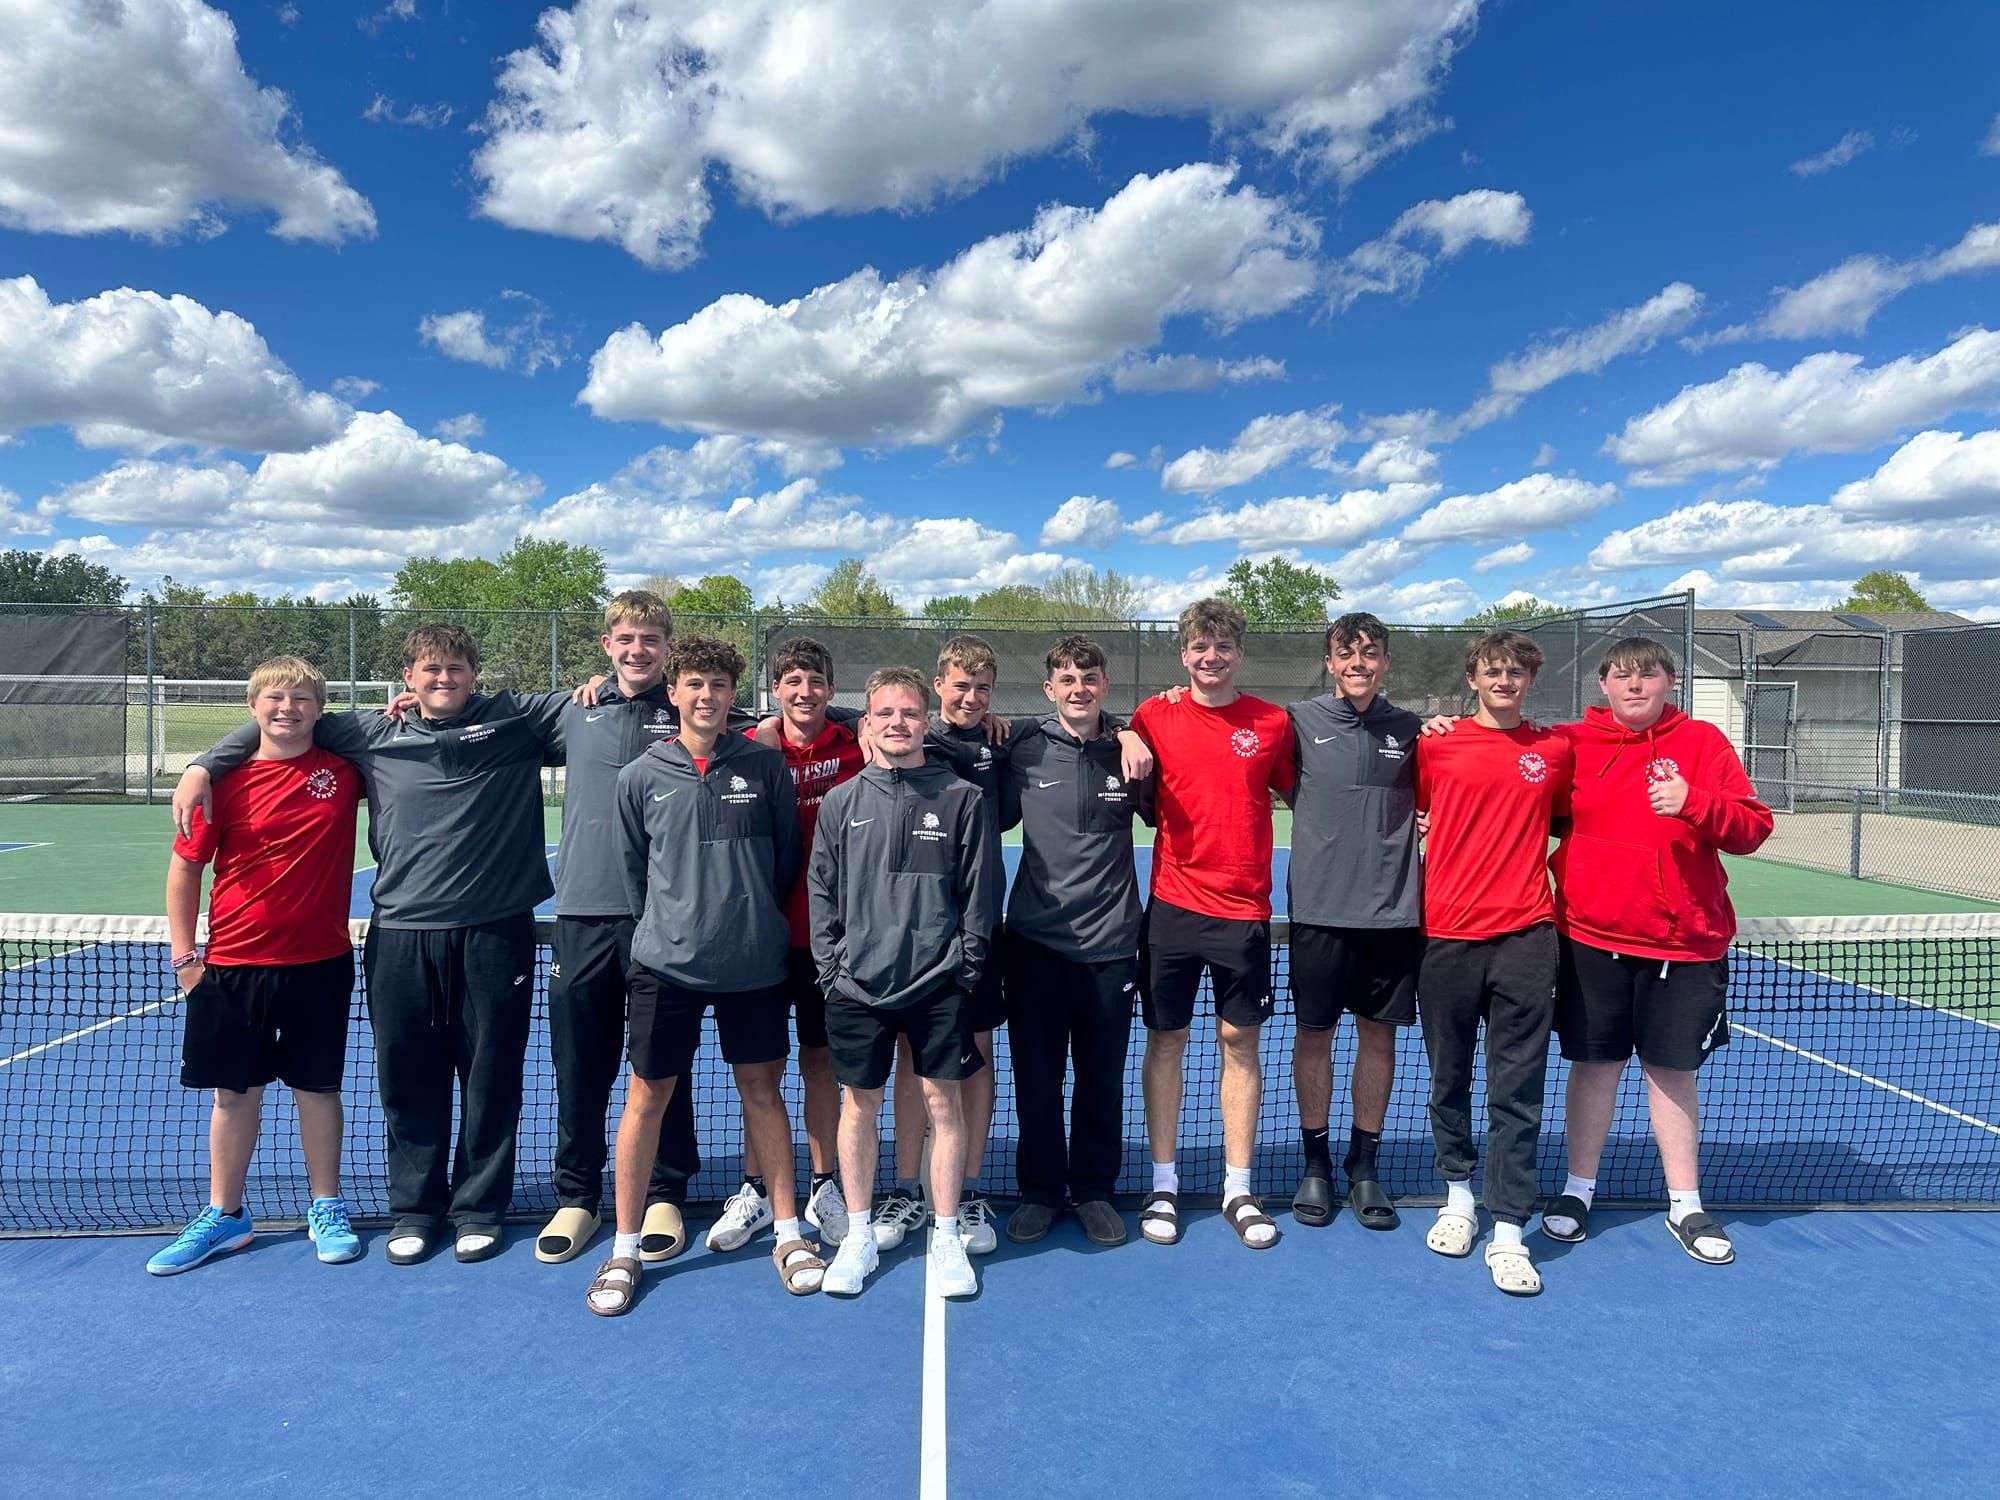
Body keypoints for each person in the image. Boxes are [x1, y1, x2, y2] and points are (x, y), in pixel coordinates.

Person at [175, 623, 567, 1266]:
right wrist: (202, 763)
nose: (444, 679)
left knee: (490, 1075)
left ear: (474, 673)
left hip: (497, 930)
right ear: (407, 679)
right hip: (401, 934)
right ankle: (415, 1209)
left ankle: (478, 1209)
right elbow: (280, 719)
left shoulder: (515, 720)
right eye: (430, 670)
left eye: (456, 669)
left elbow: (614, 702)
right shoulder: (369, 732)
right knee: (407, 1075)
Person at [584, 636, 807, 1314]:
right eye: (694, 685)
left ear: (731, 693)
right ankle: (623, 1249)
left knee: (762, 1093)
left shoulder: (766, 768)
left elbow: (784, 863)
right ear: (673, 693)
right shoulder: (640, 777)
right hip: (665, 966)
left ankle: (790, 1232)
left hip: (753, 964)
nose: (706, 697)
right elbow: (634, 875)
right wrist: (674, 927)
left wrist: (743, 921)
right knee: (645, 1098)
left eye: (717, 685)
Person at [1538, 638, 1773, 1265]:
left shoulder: (1703, 745)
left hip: (1686, 946)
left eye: (1648, 675)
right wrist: (1442, 727)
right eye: (1622, 676)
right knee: (1594, 1067)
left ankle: (1686, 1203)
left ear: (1670, 683)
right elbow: (1511, 768)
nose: (1635, 686)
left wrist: (1694, 804)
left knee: (1672, 1073)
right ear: (1604, 686)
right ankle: (1577, 1191)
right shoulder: (1573, 744)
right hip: (1589, 939)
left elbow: (1753, 828)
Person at [150, 657, 364, 1274]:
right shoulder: (221, 783)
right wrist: (185, 956)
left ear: (319, 711)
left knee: (317, 1090)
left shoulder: (344, 771)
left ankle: (325, 1204)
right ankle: (227, 1214)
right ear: (252, 708)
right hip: (231, 965)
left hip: (320, 963)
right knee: (234, 1096)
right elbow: (184, 870)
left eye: (301, 699)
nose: (287, 709)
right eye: (274, 698)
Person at [809, 668, 997, 1299]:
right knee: (858, 1108)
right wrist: (832, 969)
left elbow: (979, 895)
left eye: (910, 714)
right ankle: (858, 1234)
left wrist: (964, 967)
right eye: (885, 713)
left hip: (940, 985)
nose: (898, 723)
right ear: (868, 723)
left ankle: (945, 1235)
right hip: (857, 988)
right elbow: (822, 891)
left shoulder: (963, 797)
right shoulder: (841, 802)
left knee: (943, 1106)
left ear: (926, 722)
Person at [534, 591, 703, 1267]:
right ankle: (577, 1195)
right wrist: (211, 761)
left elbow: (790, 720)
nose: (639, 650)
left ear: (667, 646)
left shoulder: (689, 707)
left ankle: (665, 1190)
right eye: (627, 638)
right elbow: (462, 713)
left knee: (663, 1063)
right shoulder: (570, 709)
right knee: (580, 1064)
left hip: (663, 922)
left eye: (652, 639)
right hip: (580, 917)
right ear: (607, 644)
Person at [1128, 598, 1296, 1251]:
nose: (1210, 657)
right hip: (1171, 905)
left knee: (1239, 1044)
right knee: (1166, 1042)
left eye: (1222, 646)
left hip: (1246, 911)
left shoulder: (1273, 723)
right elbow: (1118, 740)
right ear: (1184, 653)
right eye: (1199, 646)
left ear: (1239, 654)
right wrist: (1123, 731)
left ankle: (1238, 1188)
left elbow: (1308, 792)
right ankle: (1164, 1184)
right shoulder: (1154, 714)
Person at [1415, 629, 1573, 1296]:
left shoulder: (1553, 750)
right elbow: (1411, 809)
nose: (1504, 681)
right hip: (1447, 936)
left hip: (1528, 939)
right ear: (1474, 678)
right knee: (1448, 1078)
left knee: (1518, 1091)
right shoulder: (1435, 743)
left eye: (1515, 671)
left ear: (1529, 680)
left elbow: (1569, 821)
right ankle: (1458, 1199)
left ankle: (1509, 1231)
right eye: (1492, 671)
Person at [998, 635, 1154, 1247]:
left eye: (1089, 678)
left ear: (1105, 686)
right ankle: (1040, 1190)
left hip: (1111, 945)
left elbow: (1172, 811)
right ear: (1049, 689)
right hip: (1034, 945)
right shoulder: (1021, 749)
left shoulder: (1133, 753)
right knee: (1036, 1079)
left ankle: (1092, 1191)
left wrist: (1128, 732)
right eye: (1066, 679)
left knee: (1101, 1078)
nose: (1079, 688)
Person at [721, 636, 864, 1252]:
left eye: (815, 681)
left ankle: (825, 1184)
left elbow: (914, 724)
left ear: (830, 690)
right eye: (792, 681)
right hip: (759, 937)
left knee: (820, 1064)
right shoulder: (750, 747)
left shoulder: (857, 742)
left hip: (832, 939)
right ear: (774, 690)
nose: (804, 692)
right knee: (761, 1069)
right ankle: (755, 1189)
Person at [1284, 612, 1422, 1232]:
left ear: (1385, 662)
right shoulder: (1298, 723)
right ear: (1330, 661)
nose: (1358, 663)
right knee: (1314, 1036)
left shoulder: (1416, 730)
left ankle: (1363, 1165)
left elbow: (1447, 794)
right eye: (1347, 653)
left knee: (1378, 1038)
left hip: (1393, 916)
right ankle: (1315, 1163)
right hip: (1318, 913)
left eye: (1369, 653)